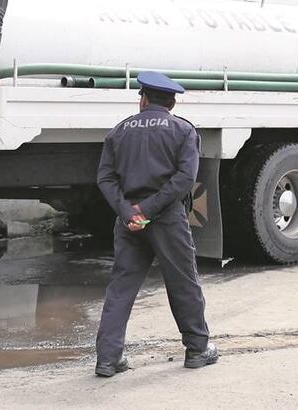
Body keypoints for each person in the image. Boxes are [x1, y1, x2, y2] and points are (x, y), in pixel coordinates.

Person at [93, 71, 218, 377]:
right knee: (182, 282)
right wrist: (148, 209)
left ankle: (108, 359)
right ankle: (198, 349)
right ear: (172, 102)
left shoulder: (119, 132)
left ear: (144, 98)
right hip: (166, 218)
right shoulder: (183, 131)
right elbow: (184, 179)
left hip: (128, 221)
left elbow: (105, 178)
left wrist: (129, 212)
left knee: (121, 287)